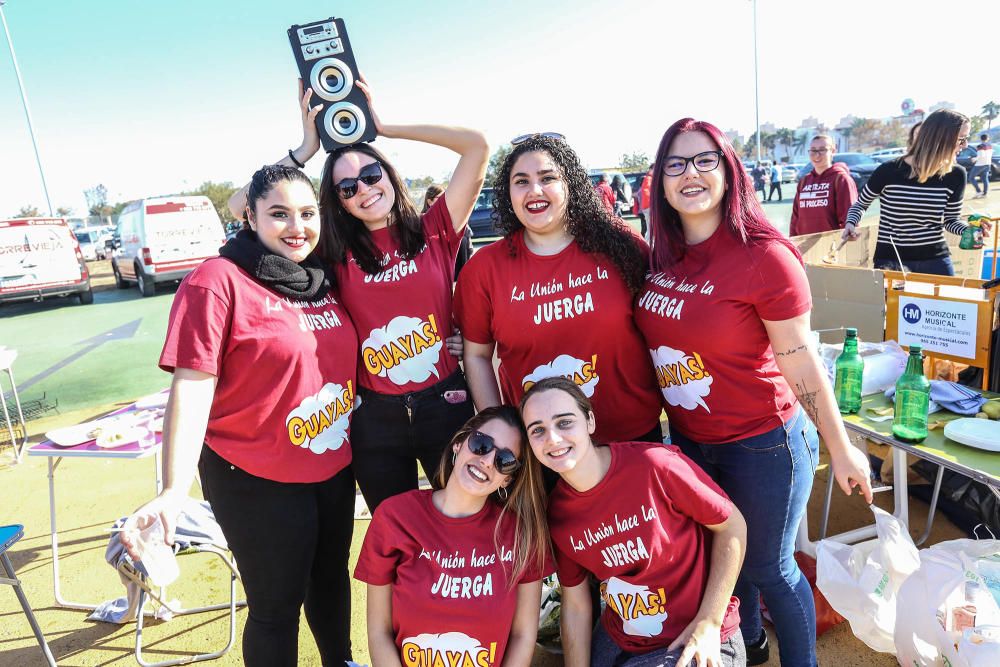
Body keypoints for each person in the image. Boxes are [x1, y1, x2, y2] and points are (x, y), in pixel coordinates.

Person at [636, 118, 874, 666]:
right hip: (692, 442)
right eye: (675, 164)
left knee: (770, 566)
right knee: (726, 556)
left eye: (703, 160)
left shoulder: (765, 256)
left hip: (763, 443)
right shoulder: (660, 256)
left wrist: (840, 448)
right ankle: (749, 645)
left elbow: (801, 363)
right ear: (660, 180)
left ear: (728, 169)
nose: (689, 174)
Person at [123, 164, 360, 666]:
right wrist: (172, 489)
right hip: (255, 475)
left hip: (332, 466)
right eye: (278, 214)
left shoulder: (318, 275)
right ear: (248, 216)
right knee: (276, 608)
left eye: (306, 213)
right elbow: (190, 389)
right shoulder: (217, 279)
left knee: (331, 583)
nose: (296, 227)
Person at [228, 80, 489, 513]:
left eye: (370, 175)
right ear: (339, 202)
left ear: (389, 174)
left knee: (467, 523)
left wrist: (382, 127)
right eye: (347, 188)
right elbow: (242, 206)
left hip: (446, 405)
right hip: (373, 418)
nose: (363, 189)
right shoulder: (330, 252)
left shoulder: (436, 229)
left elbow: (476, 147)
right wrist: (305, 150)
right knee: (396, 535)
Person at [520, 377, 748, 667]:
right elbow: (576, 605)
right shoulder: (558, 514)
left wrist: (710, 621)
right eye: (537, 430)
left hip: (696, 633)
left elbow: (732, 525)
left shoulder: (655, 465)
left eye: (564, 422)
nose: (552, 438)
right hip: (623, 637)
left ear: (589, 421)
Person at [454, 133, 663, 446]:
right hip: (542, 446)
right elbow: (477, 357)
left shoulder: (621, 246)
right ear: (508, 193)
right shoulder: (484, 268)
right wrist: (502, 431)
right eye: (521, 181)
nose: (534, 190)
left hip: (631, 439)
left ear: (570, 184)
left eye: (547, 177)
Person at [354, 406, 550, 667]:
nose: (488, 460)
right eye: (481, 443)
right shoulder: (394, 518)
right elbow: (379, 632)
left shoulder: (521, 534)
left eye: (504, 460)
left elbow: (523, 635)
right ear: (459, 443)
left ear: (507, 479)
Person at [844, 109, 986, 276]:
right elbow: (860, 205)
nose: (966, 145)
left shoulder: (956, 174)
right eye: (961, 139)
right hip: (891, 261)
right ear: (940, 137)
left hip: (936, 261)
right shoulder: (889, 170)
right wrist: (850, 223)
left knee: (947, 302)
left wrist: (969, 230)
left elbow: (950, 220)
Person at [789, 135, 858, 236]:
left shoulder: (841, 179)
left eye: (822, 150)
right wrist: (793, 242)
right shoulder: (804, 181)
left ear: (833, 151)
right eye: (813, 150)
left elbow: (850, 218)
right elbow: (795, 218)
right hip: (804, 246)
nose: (817, 155)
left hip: (831, 247)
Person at [424, 183, 473, 278]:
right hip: (436, 274)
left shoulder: (454, 218)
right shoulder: (421, 223)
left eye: (445, 197)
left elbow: (468, 246)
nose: (445, 201)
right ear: (430, 202)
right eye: (441, 198)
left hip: (457, 273)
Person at [969, 132, 993, 198]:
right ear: (987, 138)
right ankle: (985, 193)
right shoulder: (990, 146)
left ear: (981, 139)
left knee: (971, 178)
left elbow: (981, 155)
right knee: (985, 179)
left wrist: (974, 159)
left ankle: (978, 191)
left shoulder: (980, 146)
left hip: (980, 164)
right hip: (988, 163)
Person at [638, 167, 653, 241]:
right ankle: (648, 246)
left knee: (650, 228)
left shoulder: (648, 179)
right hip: (649, 206)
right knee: (651, 229)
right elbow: (647, 192)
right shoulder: (649, 179)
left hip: (646, 206)